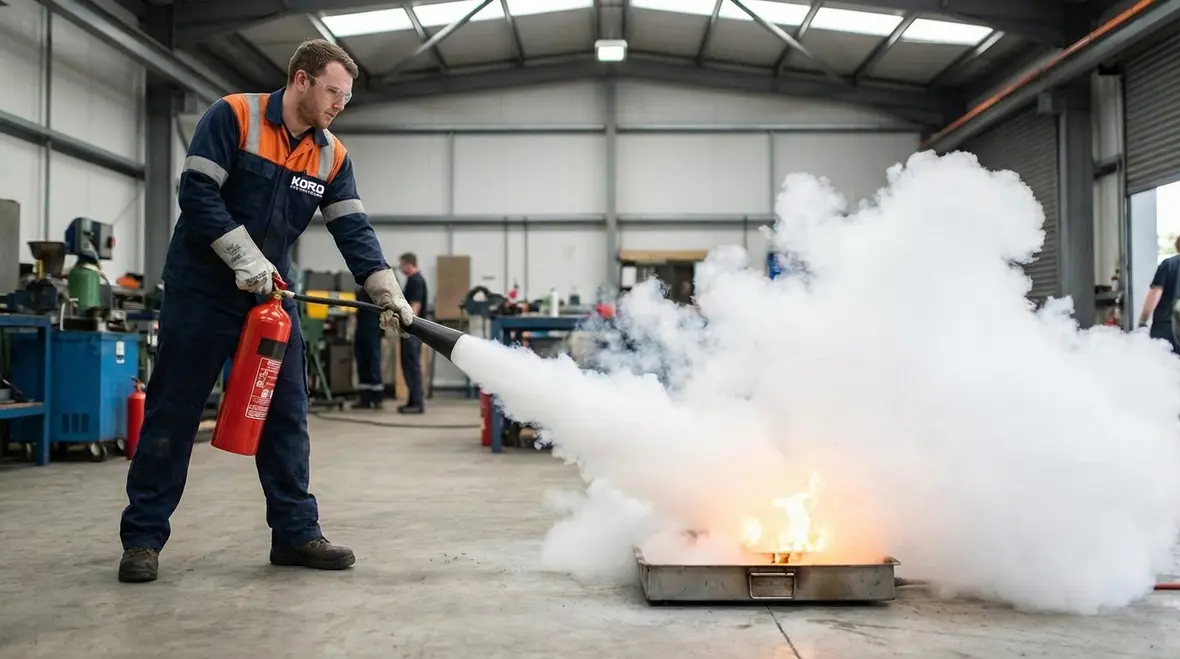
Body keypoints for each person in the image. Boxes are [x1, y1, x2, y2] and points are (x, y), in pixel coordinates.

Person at [117, 39, 416, 584]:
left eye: (346, 97)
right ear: (301, 79)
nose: (340, 105)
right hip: (201, 290)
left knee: (286, 415)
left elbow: (353, 228)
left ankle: (296, 534)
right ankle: (142, 538)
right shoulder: (234, 115)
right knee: (174, 411)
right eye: (333, 92)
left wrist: (385, 289)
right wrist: (242, 257)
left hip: (270, 298)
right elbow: (198, 194)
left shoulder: (331, 155)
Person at [397, 253, 428, 414]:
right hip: (410, 330)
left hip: (413, 331)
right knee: (408, 365)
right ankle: (412, 401)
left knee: (412, 366)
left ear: (409, 264)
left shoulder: (416, 281)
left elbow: (415, 306)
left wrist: (408, 325)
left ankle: (417, 403)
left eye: (402, 264)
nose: (401, 268)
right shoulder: (412, 280)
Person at [1137, 237, 1180, 353]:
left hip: (1166, 326)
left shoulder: (1169, 264)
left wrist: (1143, 321)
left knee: (1165, 361)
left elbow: (1155, 294)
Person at [353, 286, 385, 409]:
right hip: (362, 329)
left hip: (372, 329)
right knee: (362, 362)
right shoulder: (362, 290)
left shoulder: (377, 288)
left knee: (373, 361)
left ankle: (377, 397)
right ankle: (365, 397)